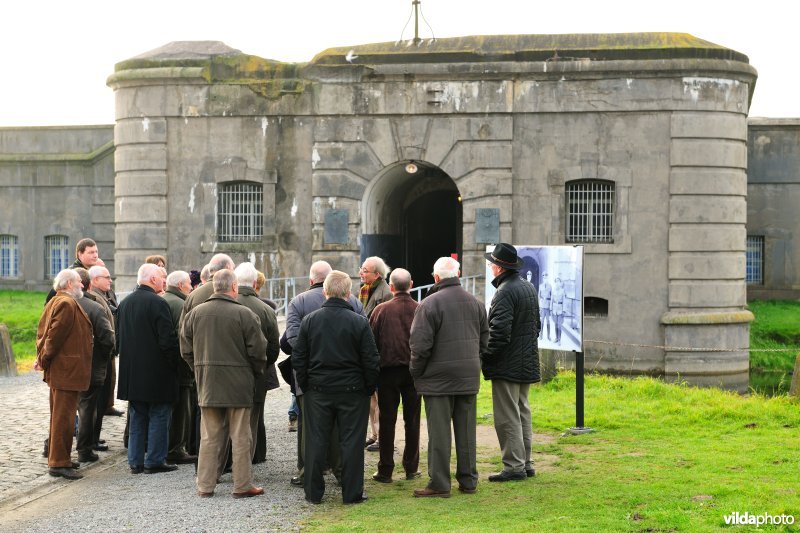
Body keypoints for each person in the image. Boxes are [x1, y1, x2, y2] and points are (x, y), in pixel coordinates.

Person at [292, 270, 379, 505]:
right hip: (352, 391)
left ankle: (313, 492)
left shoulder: (310, 321)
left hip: (319, 390)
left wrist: (307, 385)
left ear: (325, 292)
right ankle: (351, 493)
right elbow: (371, 360)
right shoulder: (359, 322)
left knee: (315, 441)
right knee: (351, 442)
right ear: (349, 294)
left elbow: (299, 358)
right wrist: (368, 387)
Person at [181, 269, 268, 498]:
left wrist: (200, 369)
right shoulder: (245, 314)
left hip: (208, 382)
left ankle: (205, 485)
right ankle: (242, 485)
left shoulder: (195, 313)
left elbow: (185, 349)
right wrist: (253, 372)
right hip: (238, 384)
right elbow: (259, 351)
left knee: (209, 437)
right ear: (234, 287)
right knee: (241, 437)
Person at [409, 256, 488, 498]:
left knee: (439, 433)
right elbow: (485, 341)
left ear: (435, 277)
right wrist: (474, 363)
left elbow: (420, 346)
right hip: (467, 376)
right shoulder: (476, 303)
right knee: (466, 432)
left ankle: (440, 484)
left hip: (437, 379)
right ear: (459, 274)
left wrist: (416, 372)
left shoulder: (429, 304)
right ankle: (468, 480)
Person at [283, 260, 365, 487]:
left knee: (308, 429)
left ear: (312, 281)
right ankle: (341, 473)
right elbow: (365, 341)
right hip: (347, 379)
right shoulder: (355, 304)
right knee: (340, 429)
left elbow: (292, 340)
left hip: (310, 378)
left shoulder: (298, 302)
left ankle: (307, 473)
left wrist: (307, 370)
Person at [482, 243, 541, 482]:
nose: (489, 267)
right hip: (525, 360)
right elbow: (536, 326)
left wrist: (485, 356)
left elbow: (498, 333)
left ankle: (514, 466)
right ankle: (525, 463)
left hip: (508, 364)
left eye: (490, 264)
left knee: (507, 416)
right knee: (522, 412)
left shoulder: (505, 291)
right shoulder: (527, 287)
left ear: (498, 268)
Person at [117, 263, 181, 474]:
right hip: (156, 372)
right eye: (161, 278)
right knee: (159, 416)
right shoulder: (157, 303)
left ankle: (135, 461)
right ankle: (154, 460)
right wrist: (176, 365)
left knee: (137, 417)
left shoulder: (125, 303)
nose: (164, 281)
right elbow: (167, 341)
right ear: (152, 279)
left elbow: (119, 339)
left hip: (132, 372)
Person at [36, 269, 93, 480]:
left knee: (62, 416)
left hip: (64, 370)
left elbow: (45, 333)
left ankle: (61, 458)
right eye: (79, 281)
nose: (82, 285)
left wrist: (43, 357)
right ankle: (59, 462)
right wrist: (44, 358)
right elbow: (52, 336)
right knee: (63, 418)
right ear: (69, 284)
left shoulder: (58, 301)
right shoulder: (66, 303)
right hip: (66, 370)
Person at [368, 268, 421, 483]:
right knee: (413, 420)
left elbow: (371, 343)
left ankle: (385, 470)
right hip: (413, 371)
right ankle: (411, 467)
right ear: (411, 285)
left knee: (387, 420)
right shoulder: (420, 309)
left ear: (391, 287)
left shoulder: (381, 310)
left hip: (387, 372)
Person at [234, 262, 280, 464]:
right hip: (256, 375)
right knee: (252, 420)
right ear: (255, 283)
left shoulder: (218, 304)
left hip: (223, 376)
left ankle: (223, 464)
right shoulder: (266, 309)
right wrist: (261, 367)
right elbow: (273, 348)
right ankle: (249, 461)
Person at [73, 268, 115, 464]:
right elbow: (108, 338)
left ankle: (53, 448)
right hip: (91, 365)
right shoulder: (93, 307)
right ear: (88, 284)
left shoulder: (60, 303)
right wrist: (104, 356)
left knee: (64, 410)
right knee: (88, 409)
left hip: (67, 368)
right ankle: (84, 450)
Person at [162, 270, 197, 464]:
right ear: (181, 285)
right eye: (189, 285)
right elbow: (183, 338)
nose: (191, 288)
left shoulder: (163, 300)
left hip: (165, 367)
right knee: (182, 410)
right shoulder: (181, 305)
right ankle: (176, 449)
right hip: (180, 368)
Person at [358, 256, 393, 451]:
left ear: (377, 274)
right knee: (371, 397)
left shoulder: (385, 294)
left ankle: (381, 438)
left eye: (365, 270)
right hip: (366, 351)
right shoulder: (364, 290)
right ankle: (373, 434)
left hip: (377, 352)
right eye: (361, 269)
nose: (361, 273)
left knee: (380, 399)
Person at [86, 265, 118, 449]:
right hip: (100, 356)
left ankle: (94, 438)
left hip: (106, 355)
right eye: (107, 277)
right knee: (95, 402)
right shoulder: (95, 298)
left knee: (100, 400)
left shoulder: (104, 295)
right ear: (95, 280)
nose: (110, 280)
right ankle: (91, 440)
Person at [538, 272, 553, 341]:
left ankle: (549, 336)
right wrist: (539, 305)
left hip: (548, 306)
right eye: (544, 277)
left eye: (546, 277)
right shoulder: (540, 286)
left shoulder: (550, 286)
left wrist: (551, 306)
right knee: (542, 321)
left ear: (547, 278)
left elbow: (552, 296)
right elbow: (539, 296)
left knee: (548, 321)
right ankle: (541, 335)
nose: (545, 279)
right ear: (543, 278)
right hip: (542, 305)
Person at [552, 277, 566, 344]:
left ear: (560, 283)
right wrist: (551, 309)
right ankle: (556, 338)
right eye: (556, 282)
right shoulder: (553, 290)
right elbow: (552, 300)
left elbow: (564, 301)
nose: (557, 283)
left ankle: (559, 339)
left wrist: (563, 311)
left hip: (560, 310)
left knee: (559, 325)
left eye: (558, 281)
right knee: (555, 324)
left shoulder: (562, 291)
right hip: (554, 310)